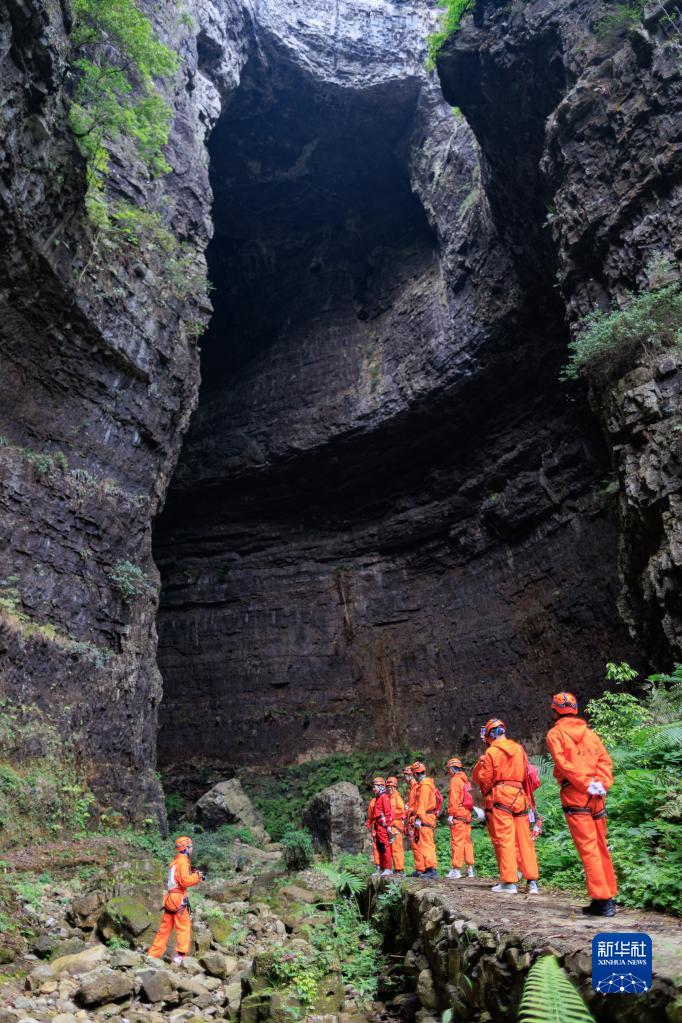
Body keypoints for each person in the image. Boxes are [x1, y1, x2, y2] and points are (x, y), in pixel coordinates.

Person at [546, 692, 618, 917]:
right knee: (599, 845)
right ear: (575, 709)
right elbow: (605, 760)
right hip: (596, 794)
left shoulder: (555, 734)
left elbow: (564, 764)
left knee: (588, 847)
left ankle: (602, 900)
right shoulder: (591, 734)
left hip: (576, 793)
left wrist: (585, 783)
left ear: (555, 710)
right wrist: (601, 783)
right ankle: (607, 895)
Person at [472, 719, 539, 894]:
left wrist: (487, 793)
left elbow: (485, 779)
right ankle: (532, 882)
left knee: (505, 840)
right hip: (519, 796)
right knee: (524, 840)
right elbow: (526, 774)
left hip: (501, 797)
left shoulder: (491, 752)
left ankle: (509, 882)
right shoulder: (519, 749)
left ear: (489, 735)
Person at [148, 835, 204, 963]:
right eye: (191, 847)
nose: (192, 849)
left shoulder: (174, 862)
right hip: (178, 898)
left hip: (169, 898)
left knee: (165, 929)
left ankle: (153, 954)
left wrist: (193, 874)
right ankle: (180, 956)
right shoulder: (183, 861)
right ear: (186, 848)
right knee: (184, 926)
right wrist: (196, 877)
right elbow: (184, 881)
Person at [445, 757, 475, 879]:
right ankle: (470, 869)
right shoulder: (466, 781)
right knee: (467, 842)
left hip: (459, 814)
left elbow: (454, 799)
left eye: (449, 770)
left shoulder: (455, 780)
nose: (449, 772)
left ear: (452, 769)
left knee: (457, 842)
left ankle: (456, 869)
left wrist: (451, 814)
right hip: (467, 814)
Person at [408, 761, 438, 878]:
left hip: (425, 818)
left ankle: (431, 870)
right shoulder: (426, 784)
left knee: (426, 844)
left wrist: (419, 818)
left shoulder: (425, 786)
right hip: (426, 817)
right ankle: (427, 869)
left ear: (415, 774)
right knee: (424, 843)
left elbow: (422, 804)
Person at [369, 777, 394, 876]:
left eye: (375, 786)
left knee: (385, 846)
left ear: (380, 786)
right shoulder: (379, 797)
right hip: (378, 826)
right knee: (380, 847)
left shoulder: (384, 797)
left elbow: (388, 812)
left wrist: (388, 826)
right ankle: (383, 868)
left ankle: (388, 868)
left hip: (383, 826)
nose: (373, 789)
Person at [385, 776, 405, 875]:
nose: (390, 788)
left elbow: (401, 811)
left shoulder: (397, 798)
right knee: (391, 848)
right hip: (389, 827)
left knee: (397, 848)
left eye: (391, 786)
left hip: (396, 826)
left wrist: (391, 815)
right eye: (388, 786)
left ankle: (399, 869)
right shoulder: (387, 798)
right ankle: (396, 868)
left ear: (395, 787)